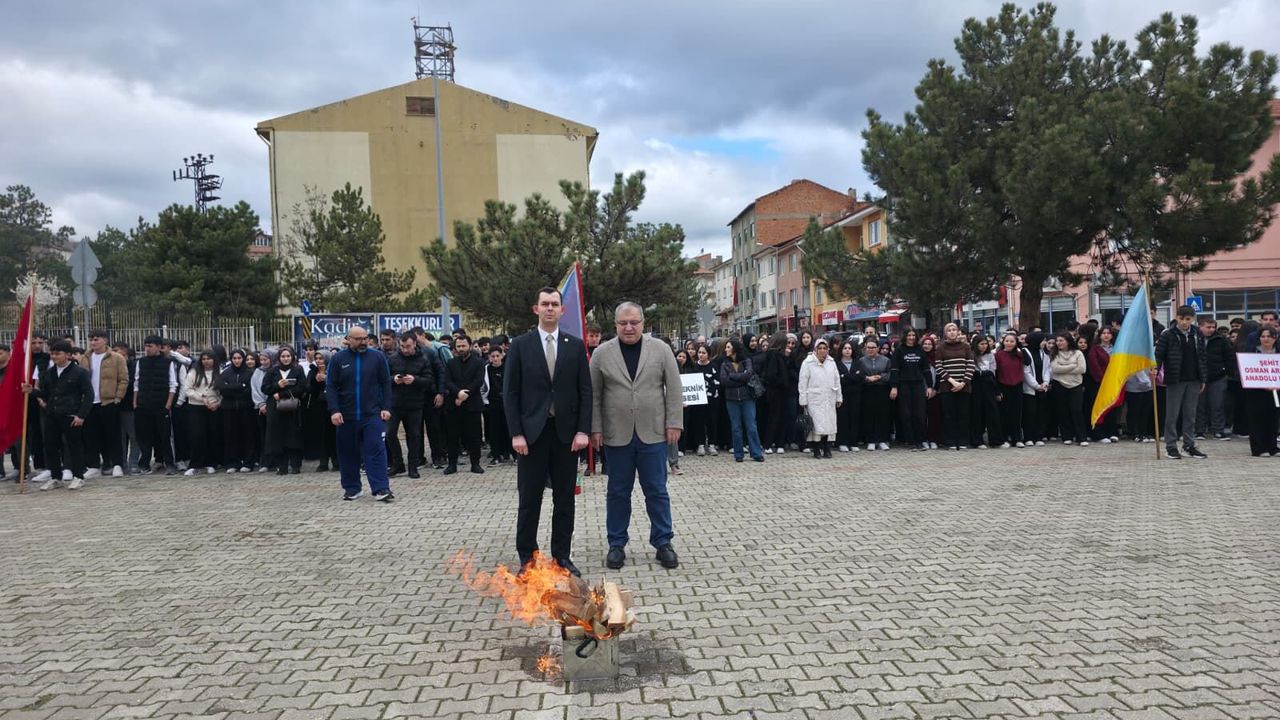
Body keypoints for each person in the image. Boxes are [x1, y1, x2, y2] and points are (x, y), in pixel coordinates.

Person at [505, 286, 592, 576]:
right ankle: (527, 559)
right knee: (529, 500)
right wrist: (516, 433)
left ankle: (561, 557)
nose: (550, 308)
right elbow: (511, 393)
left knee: (565, 499)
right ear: (536, 309)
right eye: (545, 304)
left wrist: (583, 431)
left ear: (562, 310)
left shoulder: (575, 345)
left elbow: (585, 392)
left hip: (567, 436)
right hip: (532, 435)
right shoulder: (520, 345)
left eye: (555, 304)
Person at [591, 301, 684, 570]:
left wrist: (674, 423)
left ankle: (663, 542)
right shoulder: (602, 353)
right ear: (616, 325)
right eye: (623, 323)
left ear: (643, 323)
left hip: (653, 433)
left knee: (656, 490)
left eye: (634, 322)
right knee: (617, 492)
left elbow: (674, 388)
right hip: (616, 434)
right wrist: (596, 428)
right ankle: (616, 544)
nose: (629, 327)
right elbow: (594, 395)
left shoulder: (661, 349)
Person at [326, 327, 394, 501]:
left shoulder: (377, 357)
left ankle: (381, 488)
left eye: (365, 338)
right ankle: (352, 488)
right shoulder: (338, 359)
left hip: (372, 415)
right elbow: (331, 386)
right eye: (358, 339)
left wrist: (386, 407)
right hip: (346, 416)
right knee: (347, 452)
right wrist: (334, 410)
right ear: (348, 339)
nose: (363, 341)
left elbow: (385, 383)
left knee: (376, 450)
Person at [22, 340, 93, 490]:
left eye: (58, 353)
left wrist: (81, 415)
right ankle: (56, 477)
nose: (54, 357)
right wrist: (32, 391)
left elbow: (88, 395)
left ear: (68, 355)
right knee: (50, 446)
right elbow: (47, 393)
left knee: (74, 446)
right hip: (52, 414)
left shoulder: (79, 372)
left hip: (71, 415)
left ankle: (78, 476)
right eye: (52, 353)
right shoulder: (49, 373)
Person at [1155, 305, 1209, 460]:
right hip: (1175, 379)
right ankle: (1171, 446)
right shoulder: (1168, 334)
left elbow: (1203, 357)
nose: (1184, 322)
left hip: (1194, 378)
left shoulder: (1197, 333)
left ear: (1193, 319)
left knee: (1190, 414)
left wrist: (1203, 378)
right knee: (1172, 414)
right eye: (1181, 319)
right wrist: (1155, 369)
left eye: (1188, 319)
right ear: (1176, 317)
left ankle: (1189, 445)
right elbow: (1159, 355)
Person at [387, 333, 433, 478]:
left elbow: (429, 379)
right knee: (390, 433)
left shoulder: (423, 359)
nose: (405, 350)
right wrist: (394, 379)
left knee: (414, 436)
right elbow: (382, 379)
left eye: (408, 346)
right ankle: (398, 463)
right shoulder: (392, 359)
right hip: (395, 403)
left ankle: (413, 466)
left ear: (414, 344)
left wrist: (415, 380)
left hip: (415, 404)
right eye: (402, 346)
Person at [83, 330, 128, 479]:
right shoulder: (85, 357)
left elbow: (123, 379)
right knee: (91, 436)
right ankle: (94, 465)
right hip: (90, 402)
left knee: (113, 435)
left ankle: (117, 464)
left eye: (96, 339)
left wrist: (118, 398)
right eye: (91, 339)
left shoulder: (116, 358)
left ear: (105, 340)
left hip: (108, 401)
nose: (93, 342)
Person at [133, 335, 179, 475]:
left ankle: (169, 464)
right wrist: (135, 402)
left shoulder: (168, 362)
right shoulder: (141, 362)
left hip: (161, 405)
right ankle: (144, 464)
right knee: (144, 436)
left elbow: (173, 385)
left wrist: (168, 405)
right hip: (143, 404)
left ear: (159, 347)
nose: (147, 349)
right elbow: (136, 382)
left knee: (164, 436)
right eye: (146, 346)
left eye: (150, 346)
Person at [444, 334, 486, 474]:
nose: (461, 349)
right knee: (452, 436)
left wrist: (465, 394)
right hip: (454, 404)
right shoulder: (450, 363)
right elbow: (447, 381)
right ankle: (452, 464)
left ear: (469, 346)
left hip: (472, 404)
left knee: (474, 436)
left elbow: (478, 381)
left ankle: (475, 464)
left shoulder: (478, 362)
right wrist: (458, 393)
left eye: (463, 346)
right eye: (458, 346)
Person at [263, 346, 308, 475]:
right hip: (275, 409)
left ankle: (295, 465)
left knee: (293, 436)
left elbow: (301, 387)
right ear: (279, 358)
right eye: (283, 356)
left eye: (288, 356)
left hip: (293, 408)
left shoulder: (298, 370)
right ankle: (281, 466)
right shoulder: (272, 371)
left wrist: (284, 393)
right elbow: (265, 388)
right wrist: (277, 385)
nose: (286, 359)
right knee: (278, 437)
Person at [719, 338, 764, 463]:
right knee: (736, 427)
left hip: (747, 398)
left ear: (734, 348)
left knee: (751, 426)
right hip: (731, 399)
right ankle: (738, 454)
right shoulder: (725, 363)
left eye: (728, 347)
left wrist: (733, 376)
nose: (726, 350)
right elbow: (724, 381)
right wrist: (740, 379)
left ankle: (756, 453)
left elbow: (748, 375)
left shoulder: (746, 361)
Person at [935, 323, 976, 451]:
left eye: (954, 330)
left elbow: (970, 365)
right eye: (949, 330)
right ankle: (950, 441)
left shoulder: (966, 347)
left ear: (958, 332)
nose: (952, 332)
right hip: (948, 387)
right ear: (945, 333)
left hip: (964, 386)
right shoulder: (940, 348)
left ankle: (963, 441)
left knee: (963, 414)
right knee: (949, 415)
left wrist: (963, 383)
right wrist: (953, 382)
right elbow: (939, 367)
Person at [181, 351, 222, 475]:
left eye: (209, 358)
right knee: (197, 436)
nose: (206, 361)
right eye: (203, 359)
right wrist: (201, 397)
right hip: (196, 407)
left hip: (213, 407)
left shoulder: (219, 372)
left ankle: (211, 463)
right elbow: (187, 389)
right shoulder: (194, 372)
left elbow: (223, 391)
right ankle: (195, 464)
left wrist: (217, 403)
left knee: (212, 435)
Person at [891, 328, 931, 451]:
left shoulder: (920, 350)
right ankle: (910, 441)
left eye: (913, 335)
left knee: (920, 414)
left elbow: (926, 369)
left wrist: (929, 386)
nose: (911, 337)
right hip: (904, 385)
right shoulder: (899, 351)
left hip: (918, 385)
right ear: (905, 336)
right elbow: (895, 370)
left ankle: (920, 440)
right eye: (909, 335)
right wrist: (894, 387)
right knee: (906, 414)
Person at [1242, 327, 1280, 457]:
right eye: (1263, 336)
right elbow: (1247, 371)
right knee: (1257, 419)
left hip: (1275, 391)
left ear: (1275, 338)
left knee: (1273, 419)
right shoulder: (1252, 352)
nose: (1266, 339)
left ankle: (1272, 447)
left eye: (1269, 336)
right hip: (1255, 392)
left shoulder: (1278, 352)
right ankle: (1259, 448)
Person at [1195, 317, 1234, 441]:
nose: (1211, 330)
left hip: (1218, 377)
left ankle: (1218, 430)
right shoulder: (1193, 338)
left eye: (1213, 327)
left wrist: (1227, 371)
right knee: (1199, 405)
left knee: (1218, 404)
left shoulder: (1221, 340)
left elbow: (1229, 357)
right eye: (1208, 327)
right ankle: (1199, 431)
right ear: (1200, 326)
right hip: (1198, 377)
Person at [218, 349, 255, 473]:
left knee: (248, 435)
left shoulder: (249, 373)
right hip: (229, 409)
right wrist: (240, 386)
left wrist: (232, 388)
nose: (237, 361)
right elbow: (222, 388)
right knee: (230, 436)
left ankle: (248, 462)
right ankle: (232, 462)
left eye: (239, 358)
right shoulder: (225, 373)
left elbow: (249, 390)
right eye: (234, 358)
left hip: (246, 408)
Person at [1050, 333, 1089, 445]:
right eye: (1057, 341)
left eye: (1061, 340)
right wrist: (1072, 365)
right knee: (1063, 411)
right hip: (1059, 384)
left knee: (1076, 410)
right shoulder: (1055, 353)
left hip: (1076, 385)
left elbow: (1082, 369)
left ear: (1068, 341)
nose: (1058, 343)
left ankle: (1081, 437)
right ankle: (1067, 436)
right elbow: (1055, 369)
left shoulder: (1077, 353)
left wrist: (1064, 368)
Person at [305, 352, 339, 472]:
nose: (319, 361)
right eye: (317, 358)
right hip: (318, 407)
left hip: (332, 406)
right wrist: (316, 380)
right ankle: (323, 461)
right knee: (321, 435)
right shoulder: (312, 371)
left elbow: (338, 385)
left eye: (321, 358)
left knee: (333, 434)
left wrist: (326, 379)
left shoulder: (334, 370)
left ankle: (336, 461)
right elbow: (308, 389)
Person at [969, 335, 1004, 448]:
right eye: (981, 344)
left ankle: (995, 440)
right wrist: (982, 374)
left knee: (993, 413)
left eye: (985, 344)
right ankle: (977, 441)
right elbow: (973, 373)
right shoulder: (971, 355)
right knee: (977, 413)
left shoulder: (990, 355)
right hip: (976, 388)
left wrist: (997, 391)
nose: (984, 346)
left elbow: (992, 372)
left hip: (989, 387)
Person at [994, 333, 1029, 447]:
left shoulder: (1019, 354)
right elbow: (996, 373)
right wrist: (997, 391)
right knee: (1004, 414)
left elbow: (1028, 362)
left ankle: (1017, 438)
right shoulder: (998, 355)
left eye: (1012, 341)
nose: (1009, 343)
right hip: (1003, 385)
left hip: (1017, 386)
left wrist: (1022, 348)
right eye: (1007, 341)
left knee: (1017, 414)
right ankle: (1004, 438)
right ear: (1003, 342)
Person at [858, 336, 892, 451]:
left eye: (873, 347)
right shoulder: (861, 361)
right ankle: (871, 440)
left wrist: (879, 377)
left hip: (882, 390)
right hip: (868, 390)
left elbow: (889, 374)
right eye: (868, 347)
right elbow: (859, 375)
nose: (871, 349)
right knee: (869, 415)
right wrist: (868, 378)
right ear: (865, 348)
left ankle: (882, 440)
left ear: (878, 348)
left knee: (882, 415)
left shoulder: (886, 360)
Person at [686, 344, 719, 456]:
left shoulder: (713, 367)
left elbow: (717, 382)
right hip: (698, 401)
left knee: (712, 422)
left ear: (708, 355)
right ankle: (700, 444)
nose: (701, 355)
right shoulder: (694, 367)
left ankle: (711, 444)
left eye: (703, 353)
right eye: (699, 352)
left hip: (711, 400)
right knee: (698, 422)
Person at [482, 346, 511, 466]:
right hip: (492, 403)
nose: (495, 359)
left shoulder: (509, 368)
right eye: (493, 356)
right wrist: (485, 400)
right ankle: (496, 455)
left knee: (508, 429)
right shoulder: (486, 369)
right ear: (489, 357)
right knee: (494, 431)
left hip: (507, 403)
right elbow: (482, 386)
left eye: (497, 356)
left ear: (502, 356)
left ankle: (511, 454)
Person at [835, 340, 862, 452]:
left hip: (855, 394)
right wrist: (851, 376)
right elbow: (838, 379)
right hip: (842, 394)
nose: (847, 350)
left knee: (854, 417)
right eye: (845, 348)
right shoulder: (836, 363)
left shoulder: (858, 362)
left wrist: (846, 376)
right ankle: (842, 442)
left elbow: (859, 377)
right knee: (843, 418)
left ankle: (853, 442)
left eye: (849, 348)